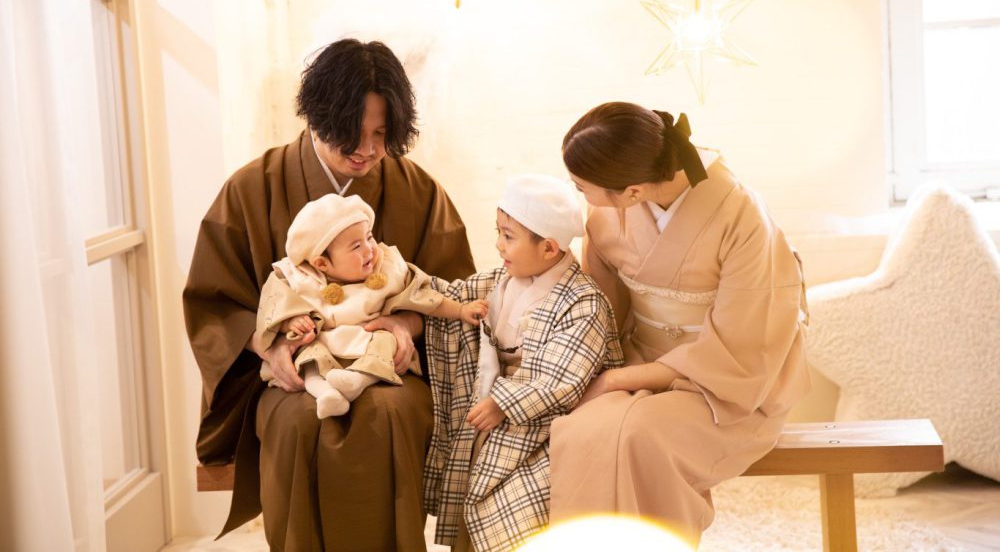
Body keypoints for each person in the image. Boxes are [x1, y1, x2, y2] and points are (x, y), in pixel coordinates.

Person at [183, 38, 475, 551]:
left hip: (390, 370)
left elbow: (455, 291)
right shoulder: (252, 188)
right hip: (295, 374)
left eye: (381, 134)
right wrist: (270, 346)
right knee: (298, 422)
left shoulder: (417, 190)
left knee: (387, 414)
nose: (367, 150)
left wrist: (406, 324)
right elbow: (216, 303)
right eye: (351, 133)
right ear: (317, 117)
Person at [550, 102, 810, 546]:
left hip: (729, 381)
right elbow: (599, 306)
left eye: (581, 187)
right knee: (582, 430)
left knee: (642, 435)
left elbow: (745, 345)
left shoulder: (742, 216)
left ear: (632, 192)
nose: (580, 196)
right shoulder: (609, 212)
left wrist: (615, 381)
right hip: (638, 360)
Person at [423, 174, 625, 552]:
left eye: (508, 236)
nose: (498, 245)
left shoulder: (584, 302)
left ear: (548, 248)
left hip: (544, 422)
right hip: (492, 406)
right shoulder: (502, 279)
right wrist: (404, 302)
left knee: (511, 496)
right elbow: (453, 295)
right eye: (498, 232)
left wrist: (503, 403)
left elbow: (562, 377)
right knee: (468, 464)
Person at [254, 193, 487, 417]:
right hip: (324, 341)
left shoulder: (388, 268)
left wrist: (460, 310)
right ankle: (324, 392)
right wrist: (290, 322)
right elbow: (275, 306)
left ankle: (357, 381)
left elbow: (424, 296)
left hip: (367, 338)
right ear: (322, 264)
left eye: (369, 237)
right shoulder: (300, 279)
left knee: (386, 341)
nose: (370, 249)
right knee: (307, 354)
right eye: (356, 246)